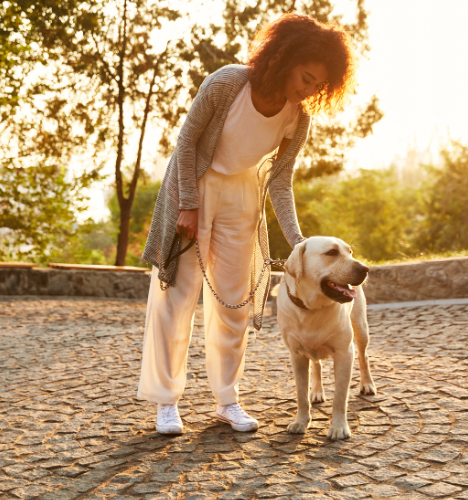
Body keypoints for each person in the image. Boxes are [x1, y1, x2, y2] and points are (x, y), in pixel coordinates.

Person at [137, 13, 356, 434]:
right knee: (177, 296)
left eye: (317, 86)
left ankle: (227, 400)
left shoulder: (298, 118)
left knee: (233, 302)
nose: (308, 90)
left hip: (242, 198)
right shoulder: (227, 83)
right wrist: (187, 204)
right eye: (305, 77)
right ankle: (167, 401)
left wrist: (299, 245)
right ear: (285, 57)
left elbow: (280, 181)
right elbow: (186, 143)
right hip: (195, 184)